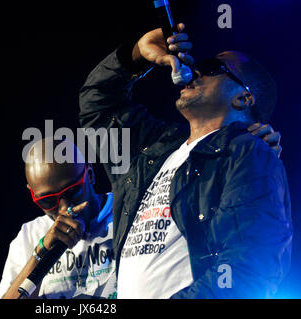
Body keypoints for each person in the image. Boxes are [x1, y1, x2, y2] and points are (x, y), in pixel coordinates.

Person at [78, 23, 292, 298]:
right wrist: (136, 55)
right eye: (201, 64)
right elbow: (98, 107)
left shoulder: (248, 153)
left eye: (214, 67)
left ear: (243, 98)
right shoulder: (149, 153)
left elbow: (248, 268)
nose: (196, 70)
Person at [0, 138, 117, 299]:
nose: (65, 208)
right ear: (33, 194)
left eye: (73, 191)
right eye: (48, 201)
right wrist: (41, 252)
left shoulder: (124, 213)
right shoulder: (29, 235)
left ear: (90, 174)